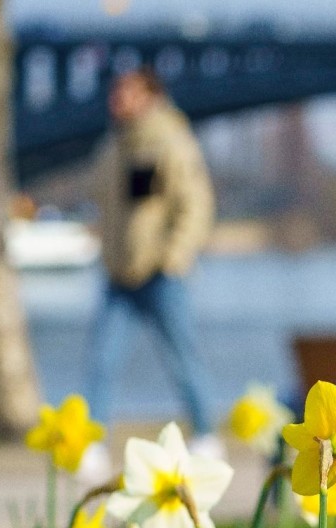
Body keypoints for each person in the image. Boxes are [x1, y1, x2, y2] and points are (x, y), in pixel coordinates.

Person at [79, 67, 218, 481]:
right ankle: (93, 446)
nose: (116, 100)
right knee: (102, 359)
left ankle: (207, 434)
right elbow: (104, 204)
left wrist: (174, 257)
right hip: (119, 274)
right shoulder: (112, 146)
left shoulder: (171, 142)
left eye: (126, 92)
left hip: (161, 274)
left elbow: (195, 204)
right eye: (115, 92)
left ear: (150, 96)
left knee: (182, 356)